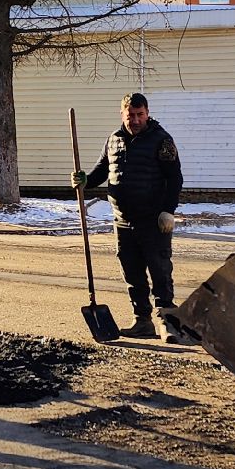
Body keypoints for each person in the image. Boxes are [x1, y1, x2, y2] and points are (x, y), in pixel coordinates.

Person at [74, 92, 183, 341]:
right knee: (131, 272)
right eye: (130, 115)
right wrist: (85, 180)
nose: (135, 120)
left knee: (160, 271)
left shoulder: (162, 140)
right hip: (122, 220)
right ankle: (142, 321)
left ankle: (167, 322)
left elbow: (175, 178)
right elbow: (103, 171)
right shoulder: (113, 140)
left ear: (147, 113)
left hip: (153, 220)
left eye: (139, 115)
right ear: (122, 114)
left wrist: (168, 210)